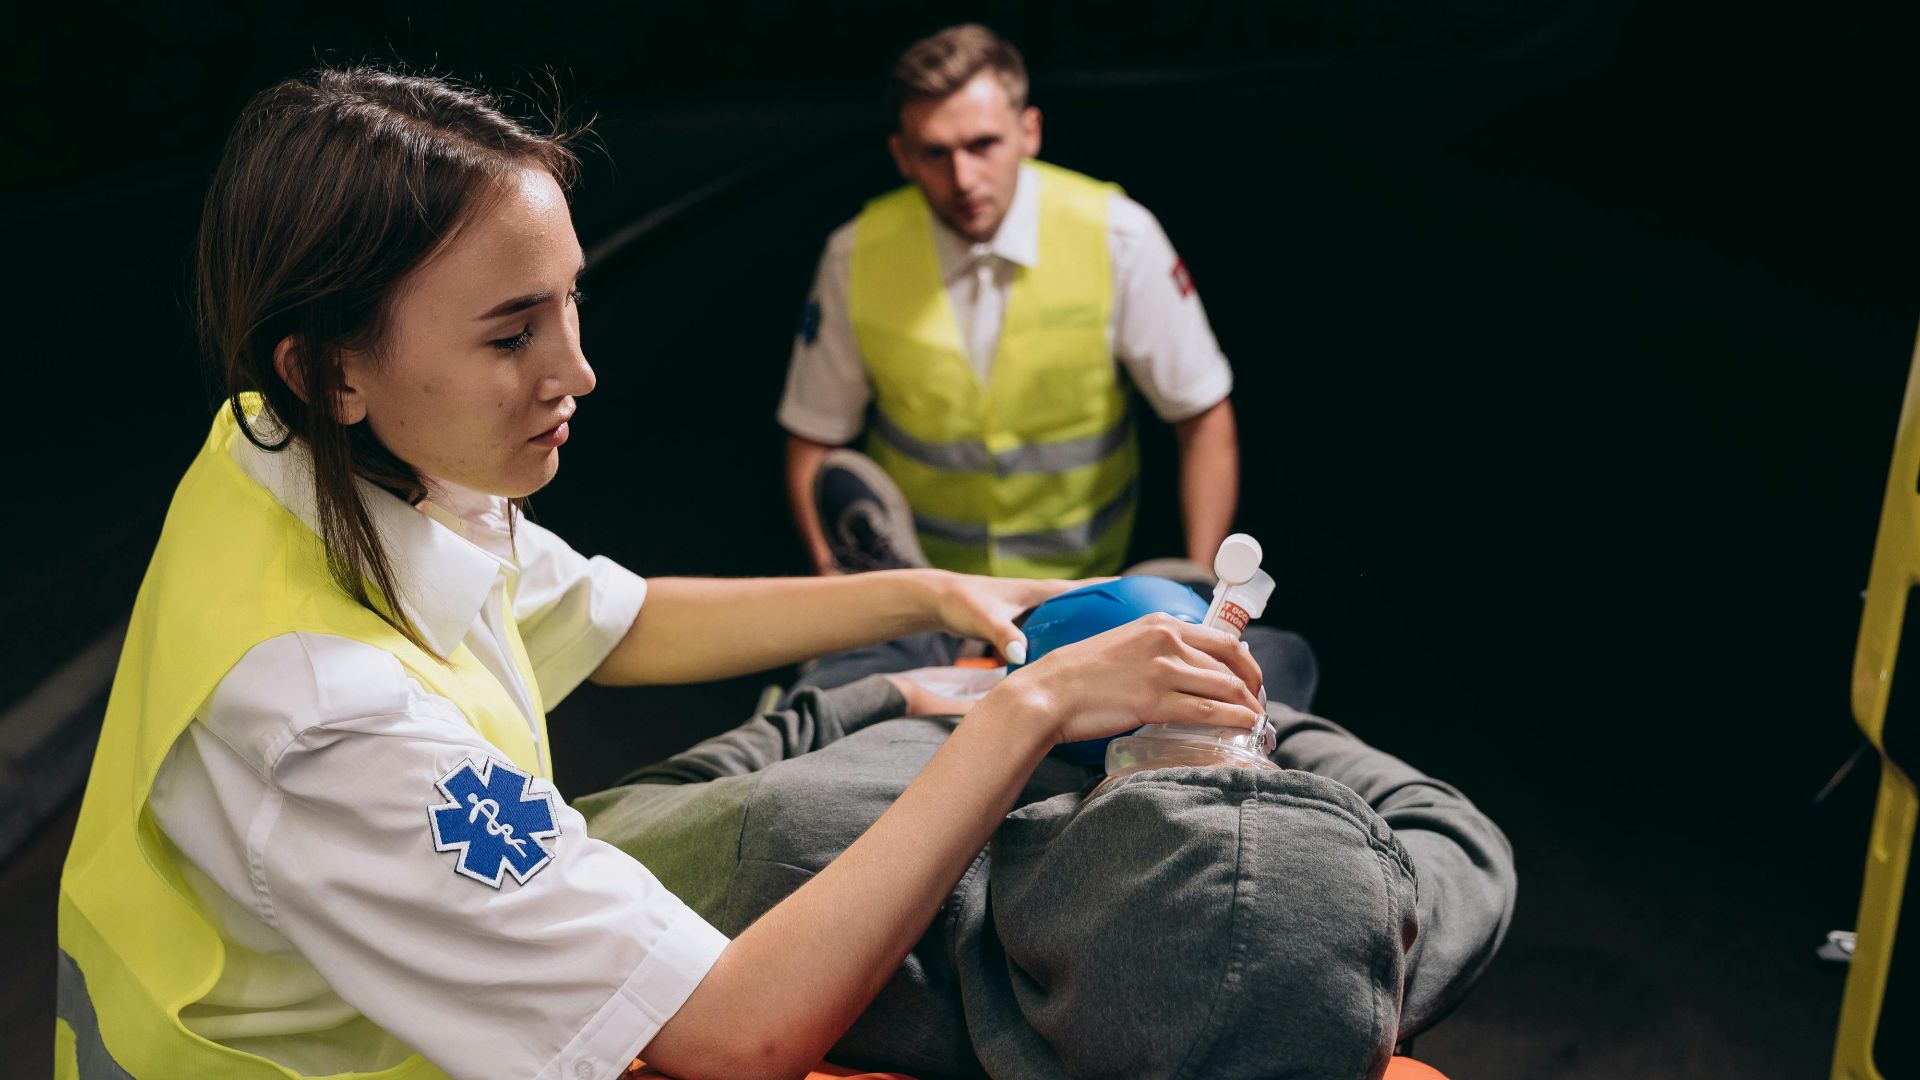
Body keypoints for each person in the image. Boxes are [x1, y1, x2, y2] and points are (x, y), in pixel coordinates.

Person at [54, 68, 1272, 1080]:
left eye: (570, 302)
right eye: (511, 332)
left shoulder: (291, 454)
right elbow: (740, 1030)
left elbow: (614, 618)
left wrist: (930, 597)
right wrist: (1031, 707)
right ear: (331, 370)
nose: (576, 371)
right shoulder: (332, 727)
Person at [578, 627, 1516, 1079]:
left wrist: (893, 698)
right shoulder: (1335, 967)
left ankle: (912, 628)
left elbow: (614, 816)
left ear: (1067, 827)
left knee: (862, 659)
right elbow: (1455, 833)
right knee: (1282, 646)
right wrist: (1256, 707)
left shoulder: (805, 848)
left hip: (924, 708)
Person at [781, 23, 1242, 580]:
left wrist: (1198, 591)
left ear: (1029, 131)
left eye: (983, 145)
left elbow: (1202, 416)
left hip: (1085, 588)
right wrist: (840, 591)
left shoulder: (1119, 237)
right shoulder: (853, 255)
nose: (963, 178)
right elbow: (813, 440)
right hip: (917, 596)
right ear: (901, 156)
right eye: (935, 153)